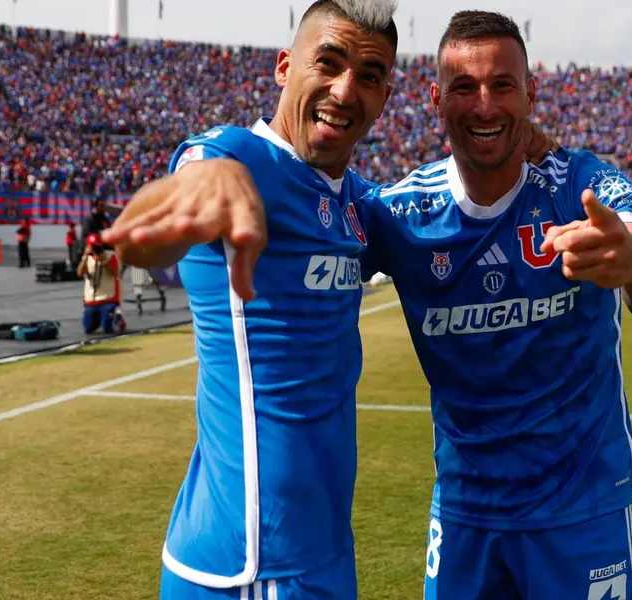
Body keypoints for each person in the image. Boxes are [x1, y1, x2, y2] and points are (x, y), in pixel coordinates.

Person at [358, 12, 632, 599]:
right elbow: (308, 212)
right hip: (464, 513)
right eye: (464, 87)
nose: (484, 106)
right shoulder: (399, 214)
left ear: (530, 93)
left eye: (502, 85)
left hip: (581, 511)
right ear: (436, 98)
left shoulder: (583, 186)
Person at [103, 2, 400, 598]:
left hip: (325, 550)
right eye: (329, 63)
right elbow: (144, 242)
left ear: (384, 96)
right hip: (246, 562)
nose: (345, 91)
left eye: (369, 75)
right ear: (285, 67)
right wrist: (206, 182)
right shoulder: (232, 156)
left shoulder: (357, 204)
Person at [77, 233, 125, 334]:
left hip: (108, 298)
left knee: (108, 329)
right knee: (88, 329)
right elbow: (80, 273)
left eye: (97, 246)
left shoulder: (110, 255)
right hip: (91, 300)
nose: (95, 250)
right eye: (92, 247)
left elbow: (116, 273)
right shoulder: (87, 258)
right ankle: (99, 318)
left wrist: (104, 261)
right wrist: (85, 256)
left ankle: (117, 317)